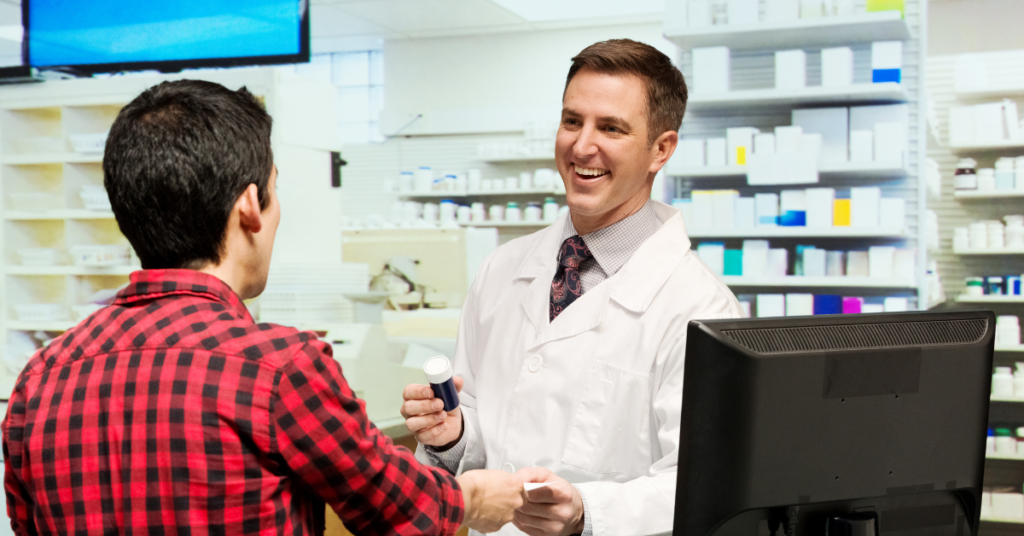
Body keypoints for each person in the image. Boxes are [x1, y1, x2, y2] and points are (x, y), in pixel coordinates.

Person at [2, 79, 526, 536]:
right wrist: (476, 498)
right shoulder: (278, 367)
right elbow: (395, 510)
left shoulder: (41, 378)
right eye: (275, 192)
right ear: (250, 206)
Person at [401, 39, 744, 536]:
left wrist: (587, 510)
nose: (582, 146)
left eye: (611, 128)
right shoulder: (502, 270)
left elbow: (703, 486)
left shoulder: (700, 308)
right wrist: (451, 436)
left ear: (661, 149)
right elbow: (487, 432)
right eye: (571, 121)